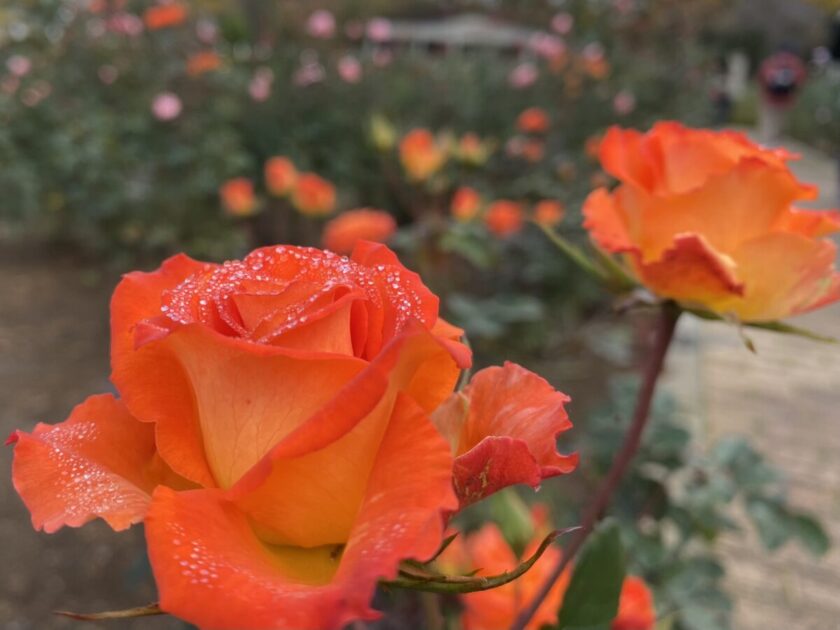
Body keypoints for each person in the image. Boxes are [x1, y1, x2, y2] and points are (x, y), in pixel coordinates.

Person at [757, 48, 807, 142]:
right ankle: (777, 146)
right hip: (786, 101)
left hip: (769, 99)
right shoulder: (796, 64)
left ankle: (766, 144)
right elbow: (800, 81)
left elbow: (761, 78)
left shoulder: (771, 62)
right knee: (781, 126)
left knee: (768, 125)